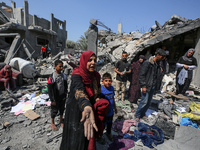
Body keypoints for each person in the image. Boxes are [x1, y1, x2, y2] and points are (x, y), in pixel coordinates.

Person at [60, 51, 109, 150]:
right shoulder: (77, 74)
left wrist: (97, 99)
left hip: (89, 110)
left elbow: (97, 91)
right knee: (75, 135)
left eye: (95, 60)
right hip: (76, 109)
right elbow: (79, 91)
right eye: (90, 60)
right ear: (84, 61)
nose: (93, 63)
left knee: (86, 134)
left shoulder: (96, 76)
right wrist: (86, 105)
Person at [135, 49, 166, 122]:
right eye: (162, 57)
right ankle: (137, 115)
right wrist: (143, 86)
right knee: (143, 102)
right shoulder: (147, 63)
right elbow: (141, 75)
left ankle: (143, 114)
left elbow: (157, 76)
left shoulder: (158, 64)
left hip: (153, 86)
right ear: (157, 55)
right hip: (147, 86)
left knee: (148, 103)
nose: (162, 59)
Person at [47, 60, 68, 131]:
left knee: (62, 108)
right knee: (54, 110)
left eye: (62, 66)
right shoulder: (52, 77)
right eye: (60, 66)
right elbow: (50, 89)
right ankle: (52, 122)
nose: (61, 68)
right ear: (55, 67)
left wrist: (65, 93)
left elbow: (65, 85)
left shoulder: (64, 75)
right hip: (55, 97)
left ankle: (61, 121)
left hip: (62, 95)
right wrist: (52, 99)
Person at [101, 72, 117, 142]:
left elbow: (113, 98)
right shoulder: (101, 90)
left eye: (109, 81)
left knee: (110, 123)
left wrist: (115, 108)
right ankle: (100, 135)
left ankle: (108, 133)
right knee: (103, 124)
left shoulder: (112, 88)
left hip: (111, 111)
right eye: (106, 81)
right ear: (102, 81)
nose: (108, 82)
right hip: (104, 112)